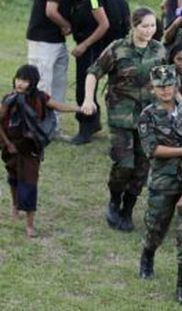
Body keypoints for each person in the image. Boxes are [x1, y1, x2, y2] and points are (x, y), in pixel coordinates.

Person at [81, 7, 166, 232]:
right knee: (124, 164)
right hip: (121, 116)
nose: (149, 31)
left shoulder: (159, 50)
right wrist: (89, 100)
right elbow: (93, 72)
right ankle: (114, 201)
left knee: (141, 168)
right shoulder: (118, 49)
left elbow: (168, 81)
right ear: (134, 26)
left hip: (149, 119)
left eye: (152, 26)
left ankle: (127, 210)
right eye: (144, 26)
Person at [137, 65, 182, 305]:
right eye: (160, 86)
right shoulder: (148, 115)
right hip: (163, 180)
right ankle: (147, 256)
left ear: (176, 86)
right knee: (155, 226)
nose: (165, 90)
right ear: (153, 89)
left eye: (169, 85)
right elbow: (152, 149)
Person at [0, 65, 81, 238]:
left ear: (33, 83)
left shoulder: (40, 98)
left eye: (25, 80)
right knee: (13, 176)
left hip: (30, 149)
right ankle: (15, 205)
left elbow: (58, 106)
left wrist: (79, 108)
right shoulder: (8, 99)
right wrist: (7, 144)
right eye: (19, 79)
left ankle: (30, 224)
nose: (20, 84)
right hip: (11, 146)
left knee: (30, 183)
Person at [70, 0, 130, 144]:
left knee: (85, 85)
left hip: (94, 46)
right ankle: (99, 124)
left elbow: (104, 24)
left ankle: (87, 126)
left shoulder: (94, 1)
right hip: (117, 46)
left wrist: (84, 45)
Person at [26, 0, 72, 135]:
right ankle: (37, 128)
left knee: (58, 84)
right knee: (41, 85)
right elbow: (51, 11)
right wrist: (67, 25)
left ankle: (52, 127)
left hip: (55, 39)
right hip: (42, 40)